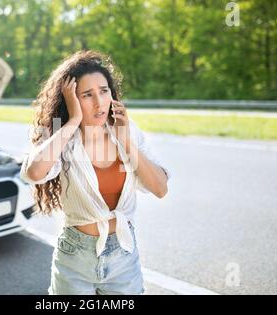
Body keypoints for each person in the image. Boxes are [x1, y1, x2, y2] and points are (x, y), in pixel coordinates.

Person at [20, 50, 170, 295]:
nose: (99, 103)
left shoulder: (126, 130)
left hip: (123, 255)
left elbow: (160, 189)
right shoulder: (62, 138)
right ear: (71, 101)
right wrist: (71, 122)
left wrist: (126, 141)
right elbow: (34, 172)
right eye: (87, 95)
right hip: (75, 257)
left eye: (104, 91)